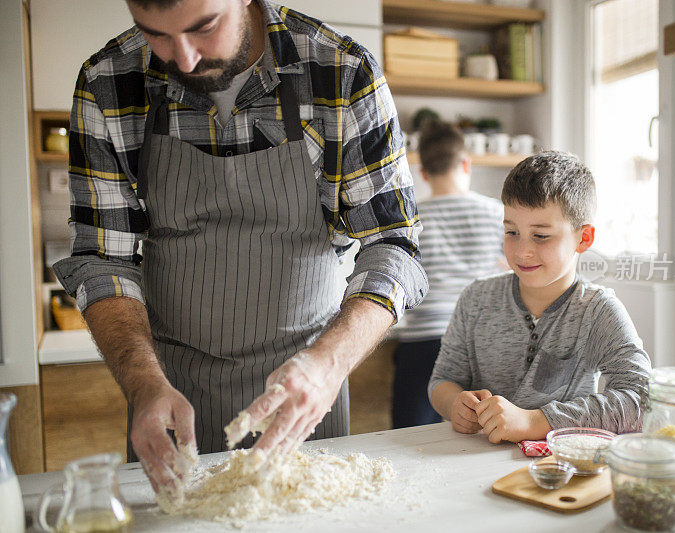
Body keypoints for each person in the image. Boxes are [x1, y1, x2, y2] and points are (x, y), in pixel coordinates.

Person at [53, 0, 427, 493]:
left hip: (303, 394)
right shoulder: (108, 81)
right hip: (170, 389)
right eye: (156, 35)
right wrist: (143, 384)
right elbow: (104, 259)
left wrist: (328, 365)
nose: (183, 59)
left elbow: (393, 243)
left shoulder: (338, 71)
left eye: (203, 27)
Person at [428, 151, 651, 443]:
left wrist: (535, 421)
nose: (522, 251)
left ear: (583, 238)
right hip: (476, 464)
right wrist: (455, 404)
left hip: (561, 472)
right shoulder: (476, 299)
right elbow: (442, 380)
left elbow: (642, 401)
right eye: (511, 232)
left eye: (541, 236)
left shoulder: (599, 311)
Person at [390, 120, 505, 428]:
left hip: (423, 338)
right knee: (482, 431)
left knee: (409, 437)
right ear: (466, 163)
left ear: (424, 173)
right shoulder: (495, 212)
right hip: (478, 340)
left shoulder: (412, 217)